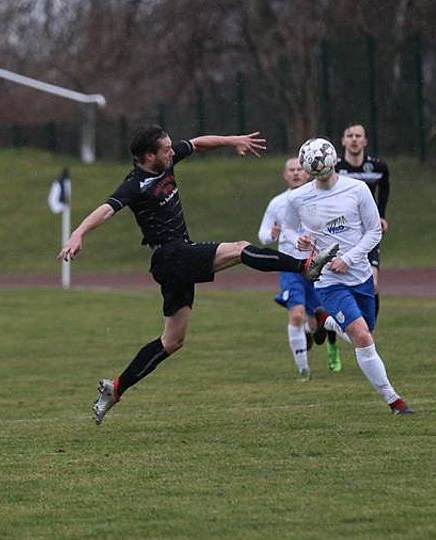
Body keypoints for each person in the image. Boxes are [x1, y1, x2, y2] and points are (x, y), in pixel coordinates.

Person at [57, 125, 339, 425]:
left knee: (172, 340)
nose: (172, 151)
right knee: (240, 249)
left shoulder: (166, 160)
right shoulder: (135, 184)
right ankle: (304, 267)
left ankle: (116, 388)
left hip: (174, 261)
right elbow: (106, 209)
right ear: (149, 156)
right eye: (166, 149)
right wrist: (78, 233)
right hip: (171, 256)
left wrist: (232, 140)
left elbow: (197, 143)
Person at [286, 137, 414, 415]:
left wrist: (349, 259)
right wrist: (300, 240)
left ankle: (327, 321)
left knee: (366, 332)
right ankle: (394, 400)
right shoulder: (297, 198)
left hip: (360, 275)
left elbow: (374, 231)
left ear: (332, 159)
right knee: (362, 337)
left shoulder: (357, 189)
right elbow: (289, 229)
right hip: (328, 280)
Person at [258, 157, 341, 378]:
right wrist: (271, 234)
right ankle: (304, 370)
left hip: (317, 267)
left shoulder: (319, 199)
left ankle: (315, 335)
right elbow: (263, 234)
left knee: (318, 323)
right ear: (285, 175)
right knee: (296, 315)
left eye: (299, 169)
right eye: (291, 170)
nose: (295, 173)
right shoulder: (278, 203)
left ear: (307, 173)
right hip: (290, 267)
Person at [335, 124, 389, 319]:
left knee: (373, 283)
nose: (354, 139)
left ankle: (369, 329)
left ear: (365, 141)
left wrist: (381, 216)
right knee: (338, 282)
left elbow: (384, 191)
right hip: (341, 232)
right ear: (343, 141)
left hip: (368, 231)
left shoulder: (378, 167)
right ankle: (335, 328)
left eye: (358, 136)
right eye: (350, 135)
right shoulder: (334, 168)